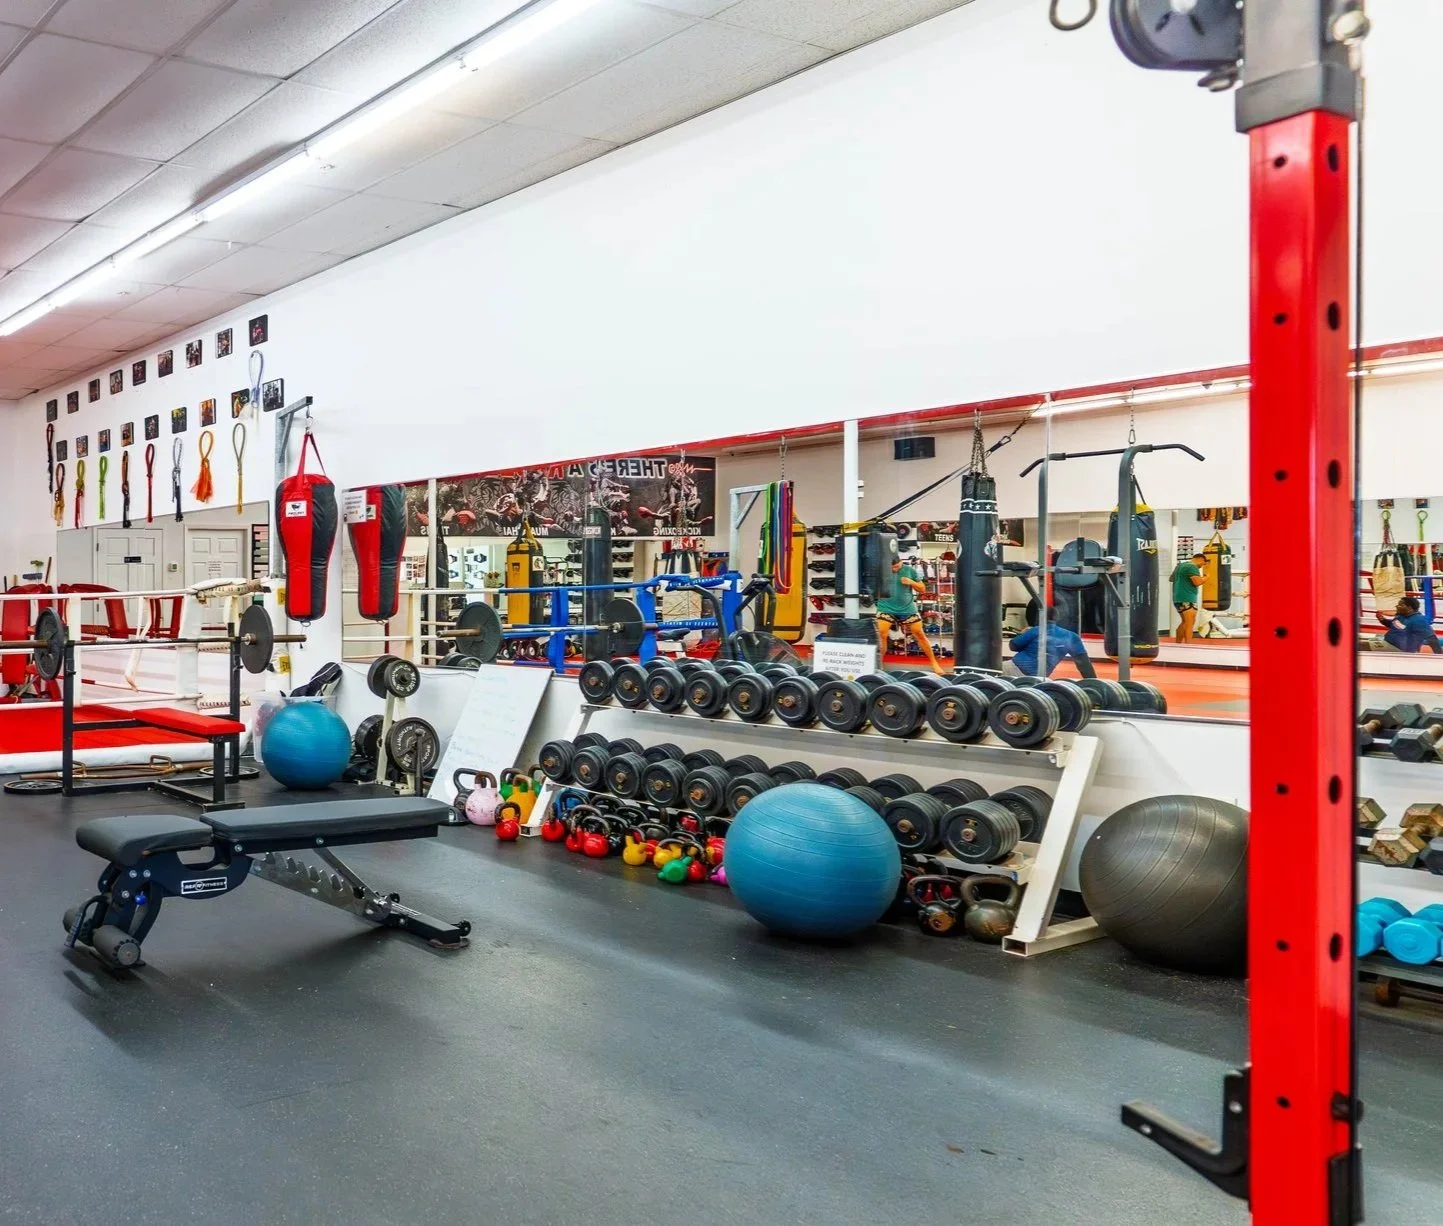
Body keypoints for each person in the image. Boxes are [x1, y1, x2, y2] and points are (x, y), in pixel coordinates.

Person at [875, 555, 944, 674]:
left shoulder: (910, 570)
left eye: (896, 567)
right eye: (892, 567)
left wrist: (911, 582)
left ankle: (934, 663)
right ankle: (879, 666)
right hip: (885, 607)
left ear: (901, 563)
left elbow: (922, 589)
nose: (894, 569)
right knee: (882, 634)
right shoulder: (882, 571)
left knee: (919, 634)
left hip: (907, 607)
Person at [1006, 622, 1097, 678]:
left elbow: (1013, 646)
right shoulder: (1072, 637)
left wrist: (1023, 635)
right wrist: (1094, 684)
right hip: (1039, 678)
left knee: (993, 669)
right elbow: (1084, 665)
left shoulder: (1036, 630)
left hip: (1015, 669)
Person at [1171, 551, 1207, 643]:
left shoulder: (1180, 566)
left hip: (1178, 597)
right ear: (1200, 559)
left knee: (1185, 622)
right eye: (1203, 563)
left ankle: (1178, 643)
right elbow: (1197, 582)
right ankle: (1189, 645)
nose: (1202, 566)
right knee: (1189, 622)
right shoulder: (1192, 566)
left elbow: (1171, 579)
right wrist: (1206, 578)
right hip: (1187, 597)